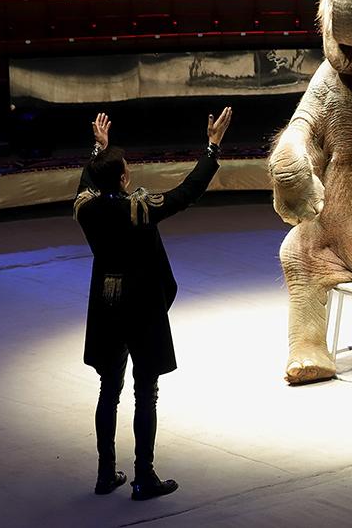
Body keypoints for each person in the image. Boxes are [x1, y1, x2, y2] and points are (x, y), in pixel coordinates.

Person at [74, 107, 232, 499]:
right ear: (125, 177)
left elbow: (86, 179)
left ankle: (105, 473)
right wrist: (211, 147)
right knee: (145, 392)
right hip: (140, 305)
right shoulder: (138, 209)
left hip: (106, 302)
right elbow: (187, 191)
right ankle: (143, 475)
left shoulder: (87, 208)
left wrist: (99, 149)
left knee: (108, 390)